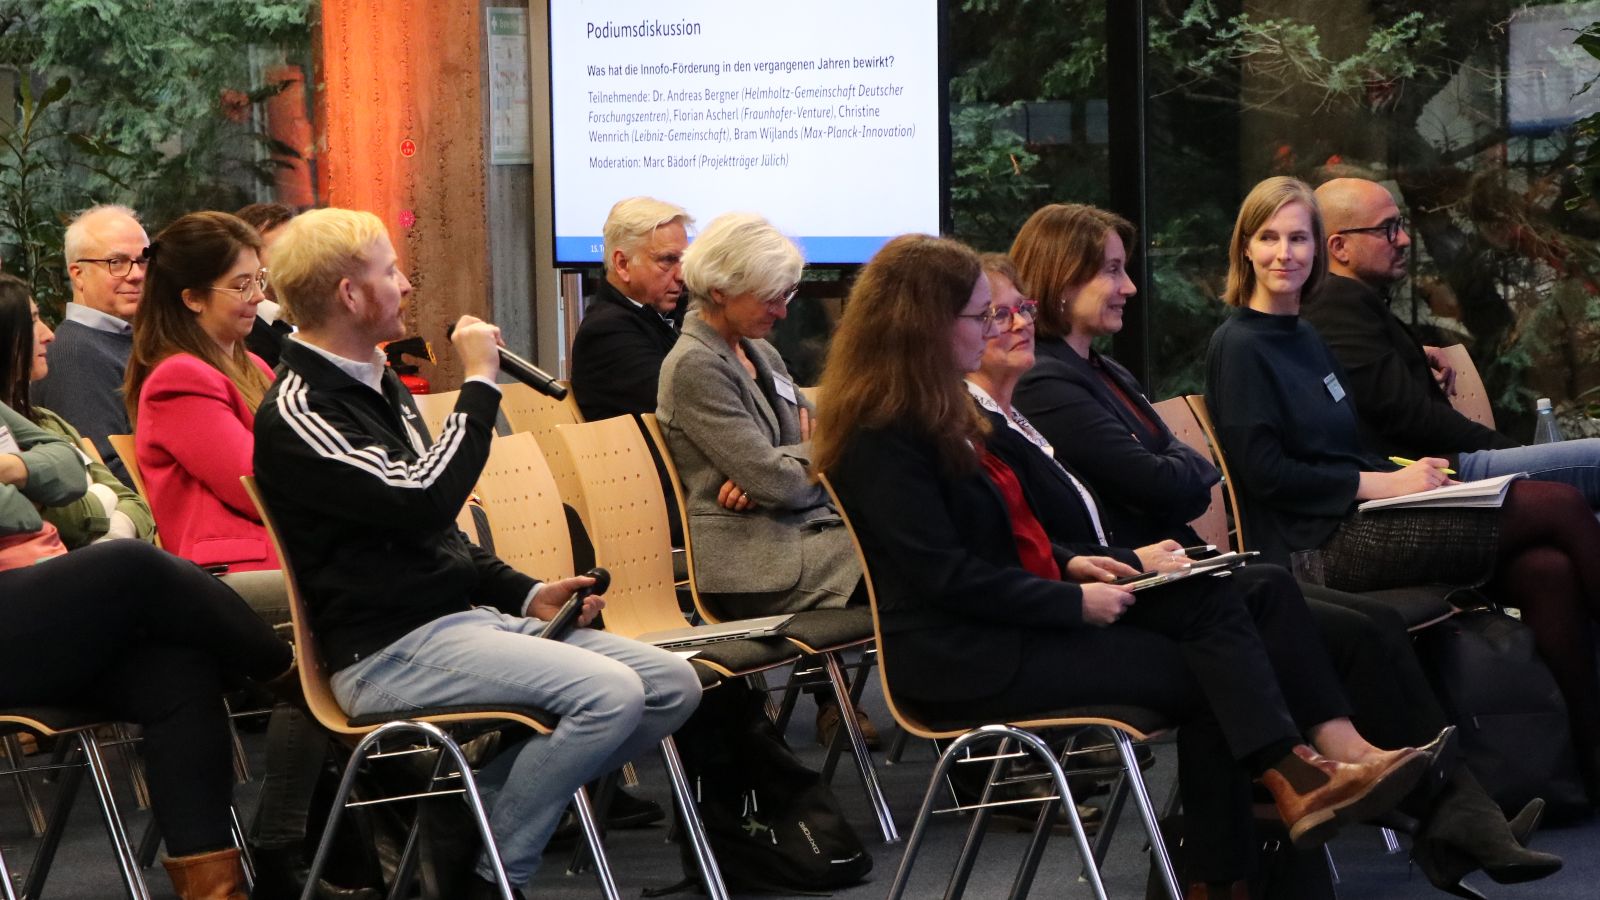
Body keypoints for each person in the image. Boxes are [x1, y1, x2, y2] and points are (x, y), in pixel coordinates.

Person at [814, 233, 1432, 894]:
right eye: (980, 315)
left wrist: (1074, 564)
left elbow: (1004, 540)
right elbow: (945, 577)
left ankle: (1288, 795)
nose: (993, 327)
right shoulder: (882, 436)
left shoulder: (936, 413)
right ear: (925, 325)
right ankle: (1251, 841)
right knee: (1215, 672)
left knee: (1232, 595)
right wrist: (1071, 600)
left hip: (1012, 618)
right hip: (965, 656)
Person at [975, 249, 1559, 894]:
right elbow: (1168, 479)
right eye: (1110, 270)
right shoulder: (1042, 388)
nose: (1130, 286)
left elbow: (1184, 473)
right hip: (1126, 593)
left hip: (1154, 571)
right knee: (1263, 632)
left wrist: (1155, 500)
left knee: (1367, 625)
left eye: (1021, 308)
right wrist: (1118, 548)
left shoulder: (1085, 378)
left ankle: (1444, 814)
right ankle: (1340, 802)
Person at [253, 207, 701, 899]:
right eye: (390, 271)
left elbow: (437, 535)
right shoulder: (302, 408)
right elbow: (423, 501)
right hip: (385, 651)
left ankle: (467, 816)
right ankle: (491, 875)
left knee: (673, 684)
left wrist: (526, 593)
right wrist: (481, 383)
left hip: (457, 626)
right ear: (349, 293)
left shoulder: (376, 381)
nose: (406, 284)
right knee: (608, 694)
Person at [1206, 175, 1600, 801]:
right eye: (1269, 238)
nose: (1285, 254)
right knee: (1562, 503)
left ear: (1317, 249)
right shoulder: (1241, 345)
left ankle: (1589, 766)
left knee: (1546, 570)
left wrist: (1416, 481)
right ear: (1245, 249)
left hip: (1365, 516)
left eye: (1298, 238)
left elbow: (1344, 441)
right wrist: (1383, 483)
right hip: (1317, 546)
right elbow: (1266, 474)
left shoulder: (1304, 335)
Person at [0, 394, 295, 900]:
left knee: (176, 671)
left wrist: (12, 469)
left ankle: (217, 893)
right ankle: (301, 689)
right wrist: (26, 479)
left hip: (42, 601)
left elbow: (69, 466)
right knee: (133, 565)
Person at [655, 212, 873, 748]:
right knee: (914, 568)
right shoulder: (695, 366)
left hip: (804, 536)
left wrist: (784, 461)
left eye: (787, 294)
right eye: (771, 297)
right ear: (721, 290)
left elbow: (828, 448)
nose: (783, 310)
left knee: (924, 559)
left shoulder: (762, 351)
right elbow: (784, 483)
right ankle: (972, 746)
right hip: (755, 560)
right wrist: (794, 463)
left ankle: (976, 744)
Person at [1304, 176, 1600, 506]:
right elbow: (1411, 417)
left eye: (1400, 225)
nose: (1404, 239)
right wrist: (1510, 451)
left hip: (1440, 464)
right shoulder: (1337, 302)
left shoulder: (1345, 303)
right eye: (1387, 229)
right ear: (1339, 247)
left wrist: (1412, 353)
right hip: (1434, 472)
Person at [125, 212, 278, 574]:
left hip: (280, 551)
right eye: (242, 285)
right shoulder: (178, 377)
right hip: (235, 570)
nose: (258, 296)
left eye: (259, 279)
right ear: (193, 298)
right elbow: (256, 486)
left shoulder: (255, 366)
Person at [0, 272, 155, 547]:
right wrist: (102, 501)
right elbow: (33, 517)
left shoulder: (48, 421)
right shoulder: (76, 354)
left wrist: (110, 537)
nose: (49, 335)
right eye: (32, 321)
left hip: (100, 558)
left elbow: (135, 504)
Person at [31, 204, 148, 485]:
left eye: (144, 260)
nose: (136, 274)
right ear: (78, 274)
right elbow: (104, 471)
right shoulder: (75, 354)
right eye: (116, 262)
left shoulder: (131, 339)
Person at [570, 196, 691, 423]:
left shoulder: (671, 313)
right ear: (622, 264)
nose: (682, 274)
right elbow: (688, 403)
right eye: (668, 260)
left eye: (684, 260)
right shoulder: (606, 332)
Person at [236, 201, 299, 367]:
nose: (298, 259)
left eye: (300, 249)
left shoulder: (313, 316)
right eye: (283, 250)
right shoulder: (244, 336)